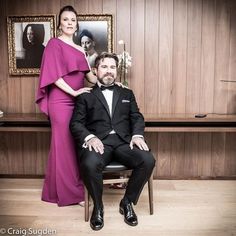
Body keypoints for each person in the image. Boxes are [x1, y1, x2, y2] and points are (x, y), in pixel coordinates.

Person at [70, 52, 155, 230]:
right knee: (89, 163)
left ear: (116, 71)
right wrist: (90, 137)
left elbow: (137, 117)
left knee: (148, 160)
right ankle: (98, 207)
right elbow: (76, 123)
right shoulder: (85, 95)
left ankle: (127, 202)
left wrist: (137, 135)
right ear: (95, 70)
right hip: (99, 143)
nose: (109, 71)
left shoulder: (127, 93)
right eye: (104, 67)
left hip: (125, 143)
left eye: (112, 67)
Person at [35, 5, 98, 207]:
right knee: (64, 146)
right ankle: (73, 194)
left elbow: (90, 77)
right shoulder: (54, 44)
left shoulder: (80, 49)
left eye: (73, 19)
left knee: (73, 145)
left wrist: (111, 79)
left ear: (76, 24)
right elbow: (53, 76)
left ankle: (56, 191)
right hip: (60, 102)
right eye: (65, 19)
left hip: (77, 102)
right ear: (59, 23)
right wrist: (73, 92)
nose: (70, 23)